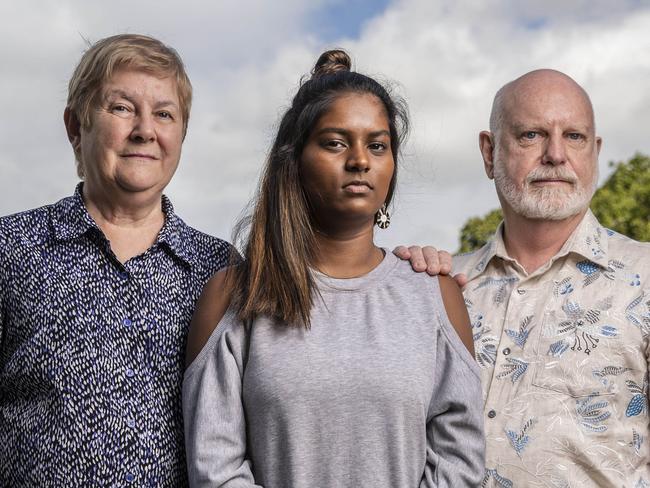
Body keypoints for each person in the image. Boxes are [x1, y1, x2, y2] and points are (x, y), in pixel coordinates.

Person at [182, 49, 485, 488]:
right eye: (335, 143)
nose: (360, 160)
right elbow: (216, 467)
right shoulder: (233, 296)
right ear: (293, 161)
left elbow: (459, 465)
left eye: (377, 145)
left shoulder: (435, 295)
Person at [0, 34, 232, 486]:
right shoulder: (10, 248)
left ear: (181, 134)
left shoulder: (219, 270)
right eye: (122, 107)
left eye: (164, 114)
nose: (145, 129)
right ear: (75, 125)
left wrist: (402, 266)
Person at [400, 69, 650, 487]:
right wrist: (391, 280)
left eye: (574, 136)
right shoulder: (437, 285)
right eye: (532, 134)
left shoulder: (645, 278)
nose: (556, 154)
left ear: (595, 152)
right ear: (489, 152)